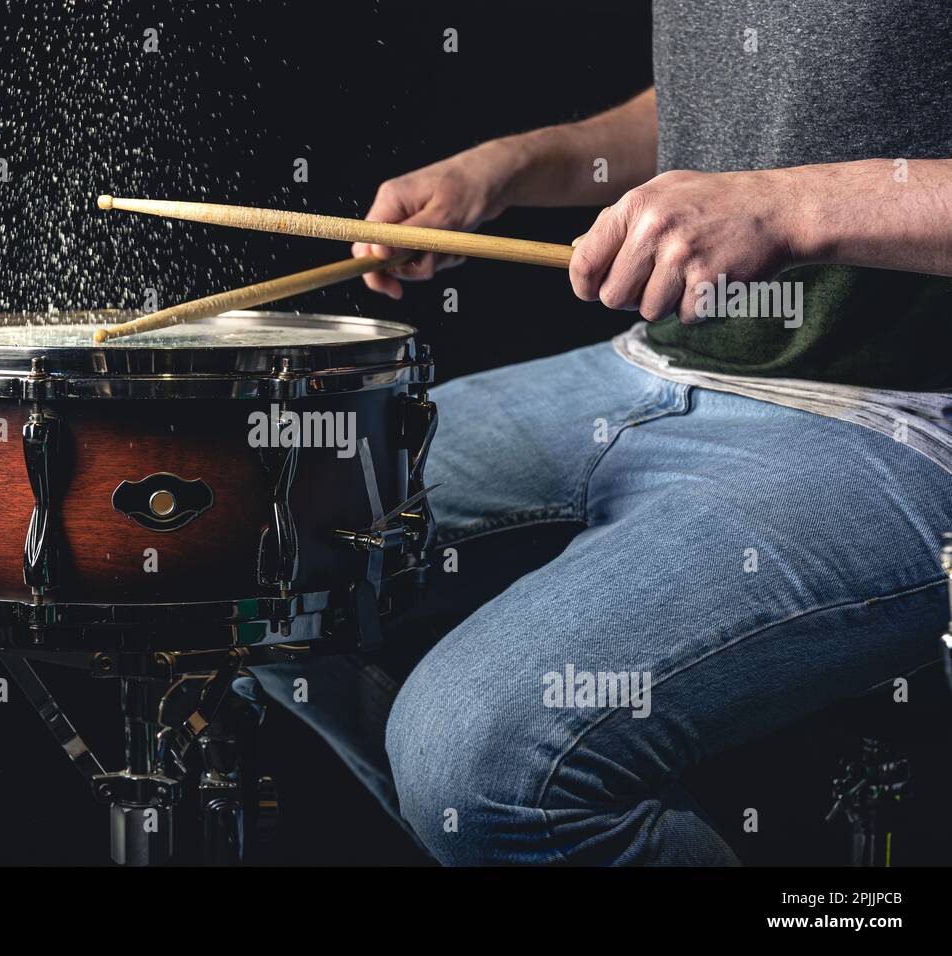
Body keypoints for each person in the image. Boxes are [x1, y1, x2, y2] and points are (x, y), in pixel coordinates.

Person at [251, 1, 952, 864]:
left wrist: (783, 206)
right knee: (254, 537)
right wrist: (510, 167)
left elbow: (773, 179)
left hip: (904, 422)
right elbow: (743, 102)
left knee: (476, 758)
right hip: (651, 364)